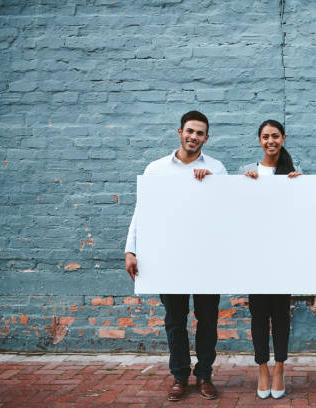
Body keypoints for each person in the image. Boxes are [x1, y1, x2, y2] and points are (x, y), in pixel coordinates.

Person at [124, 110, 227, 402]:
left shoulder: (217, 169)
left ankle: (205, 375)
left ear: (207, 138)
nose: (194, 137)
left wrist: (213, 186)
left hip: (206, 258)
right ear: (179, 132)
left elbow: (226, 213)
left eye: (200, 133)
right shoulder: (155, 169)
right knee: (175, 320)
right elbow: (141, 212)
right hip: (168, 257)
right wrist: (130, 249)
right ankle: (180, 376)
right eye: (190, 131)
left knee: (207, 319)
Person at [238, 119, 301, 399]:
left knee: (281, 315)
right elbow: (236, 209)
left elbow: (303, 211)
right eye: (265, 137)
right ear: (259, 140)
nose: (270, 141)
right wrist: (245, 185)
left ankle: (279, 367)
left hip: (283, 254)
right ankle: (262, 367)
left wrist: (299, 187)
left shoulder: (295, 172)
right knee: (258, 315)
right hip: (254, 255)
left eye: (275, 136)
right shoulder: (247, 171)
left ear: (283, 138)